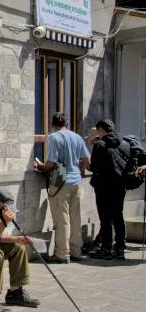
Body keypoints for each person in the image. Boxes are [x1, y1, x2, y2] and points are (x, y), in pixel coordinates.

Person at [34, 112, 90, 263]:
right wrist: (79, 171)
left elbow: (51, 163)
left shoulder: (54, 137)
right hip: (76, 181)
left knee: (61, 219)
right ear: (67, 124)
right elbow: (86, 160)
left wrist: (40, 165)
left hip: (60, 183)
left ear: (52, 125)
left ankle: (62, 254)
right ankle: (76, 251)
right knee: (75, 218)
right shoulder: (77, 137)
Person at [88, 119, 129, 260]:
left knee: (105, 218)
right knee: (118, 216)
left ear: (101, 130)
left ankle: (106, 248)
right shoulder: (125, 144)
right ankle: (120, 248)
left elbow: (93, 167)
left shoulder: (99, 145)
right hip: (120, 186)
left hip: (104, 186)